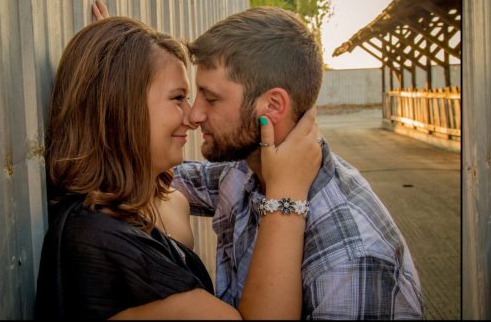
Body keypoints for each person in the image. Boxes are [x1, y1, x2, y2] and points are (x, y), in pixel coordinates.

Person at [91, 0, 423, 319]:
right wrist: (120, 74)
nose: (194, 114)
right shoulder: (244, 171)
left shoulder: (350, 258)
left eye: (211, 98)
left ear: (273, 106)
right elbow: (156, 174)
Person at [34, 16, 322, 319]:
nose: (193, 116)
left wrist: (119, 49)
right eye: (178, 98)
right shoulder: (97, 245)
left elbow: (182, 188)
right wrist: (286, 194)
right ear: (121, 105)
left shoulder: (152, 198)